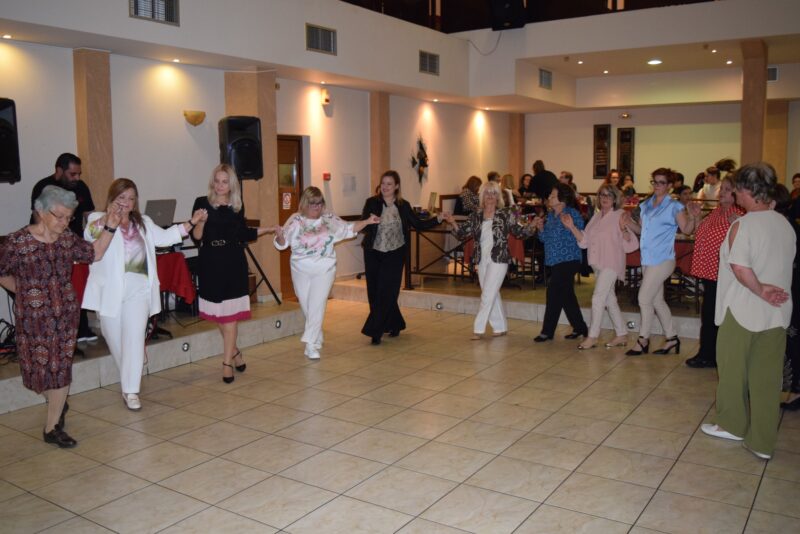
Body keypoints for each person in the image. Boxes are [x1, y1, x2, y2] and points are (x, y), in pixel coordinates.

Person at [0, 186, 116, 447]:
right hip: (32, 320)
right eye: (60, 216)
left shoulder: (66, 239)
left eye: (68, 217)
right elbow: (1, 271)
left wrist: (110, 227)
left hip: (65, 316)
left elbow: (94, 253)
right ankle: (57, 402)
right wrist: (22, 291)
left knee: (61, 369)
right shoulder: (17, 242)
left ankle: (52, 428)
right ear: (41, 212)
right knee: (37, 371)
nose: (65, 223)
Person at [83, 178, 206, 410]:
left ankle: (131, 390)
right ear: (112, 197)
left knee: (134, 338)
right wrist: (108, 218)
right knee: (113, 336)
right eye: (122, 197)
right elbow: (89, 236)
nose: (126, 202)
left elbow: (167, 237)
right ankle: (134, 364)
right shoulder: (96, 218)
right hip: (110, 291)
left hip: (139, 289)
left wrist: (192, 222)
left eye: (131, 198)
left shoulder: (143, 222)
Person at [701, 163, 795, 461]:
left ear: (746, 191)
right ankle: (762, 442)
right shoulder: (784, 223)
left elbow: (740, 267)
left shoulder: (744, 225)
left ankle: (731, 425)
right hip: (777, 312)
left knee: (732, 370)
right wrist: (768, 293)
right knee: (767, 379)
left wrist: (761, 290)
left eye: (737, 189)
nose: (734, 194)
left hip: (743, 309)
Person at [274, 187, 379, 359]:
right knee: (307, 306)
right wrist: (279, 236)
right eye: (312, 203)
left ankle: (310, 345)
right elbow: (282, 243)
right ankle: (316, 333)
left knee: (317, 304)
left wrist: (368, 221)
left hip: (324, 268)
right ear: (305, 204)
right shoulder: (296, 219)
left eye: (319, 203)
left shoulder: (329, 219)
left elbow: (349, 228)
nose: (316, 207)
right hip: (300, 269)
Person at [191, 164, 272, 383]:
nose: (220, 185)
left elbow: (242, 233)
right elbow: (196, 237)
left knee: (230, 318)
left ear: (231, 185)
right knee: (219, 315)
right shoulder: (201, 203)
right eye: (217, 181)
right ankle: (235, 352)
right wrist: (201, 223)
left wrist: (265, 230)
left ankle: (226, 363)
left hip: (233, 262)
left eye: (224, 182)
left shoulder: (237, 206)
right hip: (210, 261)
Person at [621, 168, 701, 355]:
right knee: (657, 301)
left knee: (643, 298)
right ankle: (672, 338)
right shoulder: (646, 204)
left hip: (663, 259)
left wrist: (694, 216)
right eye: (654, 182)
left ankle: (643, 340)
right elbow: (641, 231)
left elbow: (687, 230)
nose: (657, 185)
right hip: (647, 258)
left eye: (661, 182)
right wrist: (627, 222)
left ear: (670, 186)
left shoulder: (674, 206)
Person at [443, 181, 535, 339]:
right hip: (482, 259)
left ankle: (478, 329)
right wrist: (452, 221)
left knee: (487, 295)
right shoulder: (476, 215)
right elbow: (462, 234)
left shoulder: (505, 214)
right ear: (482, 196)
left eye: (493, 193)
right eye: (487, 193)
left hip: (499, 258)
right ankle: (500, 327)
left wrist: (532, 225)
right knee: (492, 293)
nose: (490, 196)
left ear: (498, 197)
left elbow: (519, 232)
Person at [360, 170, 444, 345]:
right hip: (373, 252)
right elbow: (364, 226)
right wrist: (369, 221)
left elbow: (418, 224)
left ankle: (375, 331)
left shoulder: (403, 205)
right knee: (374, 292)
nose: (385, 187)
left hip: (395, 253)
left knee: (387, 291)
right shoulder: (371, 202)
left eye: (389, 184)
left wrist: (438, 219)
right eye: (383, 183)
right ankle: (395, 323)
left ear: (396, 186)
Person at [30, 153, 98, 343]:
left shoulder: (81, 187)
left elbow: (90, 216)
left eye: (79, 174)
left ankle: (82, 328)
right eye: (72, 174)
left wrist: (98, 233)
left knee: (78, 285)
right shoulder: (42, 186)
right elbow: (38, 218)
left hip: (74, 244)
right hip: (49, 246)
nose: (77, 178)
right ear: (59, 170)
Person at [561, 184, 639, 349]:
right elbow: (585, 241)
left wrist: (623, 229)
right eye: (602, 195)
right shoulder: (596, 217)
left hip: (612, 263)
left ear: (615, 199)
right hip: (597, 263)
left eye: (609, 195)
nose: (605, 198)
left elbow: (631, 245)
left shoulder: (620, 215)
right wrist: (572, 227)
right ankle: (622, 334)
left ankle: (593, 336)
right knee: (609, 299)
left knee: (597, 298)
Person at [685, 176, 744, 368]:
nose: (722, 192)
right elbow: (699, 234)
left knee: (716, 315)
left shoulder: (739, 215)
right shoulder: (717, 212)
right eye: (722, 189)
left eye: (727, 189)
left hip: (726, 275)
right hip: (710, 272)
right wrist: (695, 217)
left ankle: (713, 355)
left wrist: (740, 227)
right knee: (709, 314)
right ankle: (708, 353)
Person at [533, 183, 589, 342]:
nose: (549, 198)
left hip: (569, 260)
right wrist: (541, 229)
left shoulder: (572, 213)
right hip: (554, 260)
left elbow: (581, 234)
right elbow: (544, 239)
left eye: (553, 196)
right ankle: (580, 327)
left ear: (562, 200)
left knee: (553, 292)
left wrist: (570, 226)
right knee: (566, 296)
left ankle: (547, 331)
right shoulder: (551, 216)